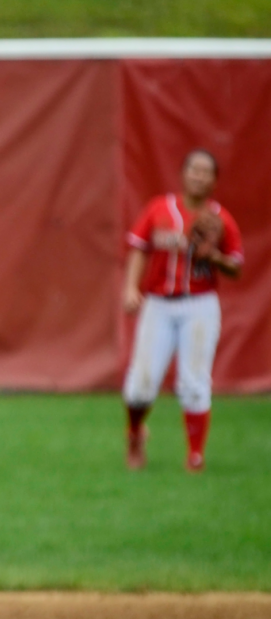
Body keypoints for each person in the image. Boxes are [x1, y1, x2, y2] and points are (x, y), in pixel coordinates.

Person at [122, 148, 243, 472]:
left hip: (200, 304)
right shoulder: (159, 209)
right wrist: (130, 288)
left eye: (206, 172)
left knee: (194, 382)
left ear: (215, 180)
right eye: (194, 170)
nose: (199, 176)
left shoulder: (220, 219)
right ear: (183, 174)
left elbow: (236, 267)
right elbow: (138, 248)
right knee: (141, 385)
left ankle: (195, 456)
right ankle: (135, 433)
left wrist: (215, 257)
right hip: (159, 304)